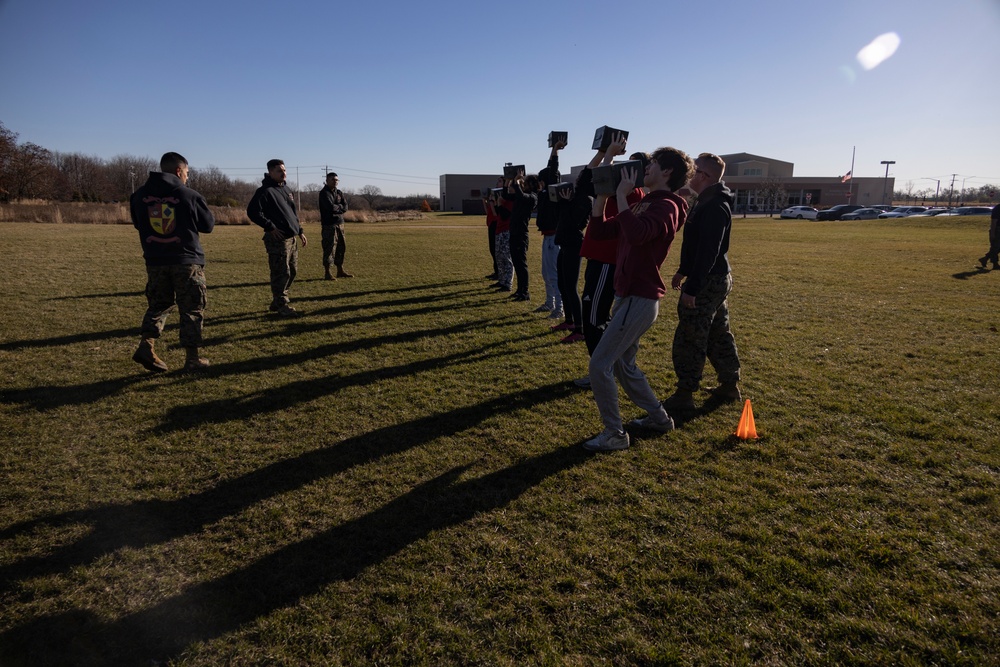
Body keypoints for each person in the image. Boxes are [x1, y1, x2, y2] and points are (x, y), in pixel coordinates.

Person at [583, 146, 693, 452]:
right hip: (629, 295)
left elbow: (639, 234)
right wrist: (603, 200)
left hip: (640, 298)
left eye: (653, 163)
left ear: (667, 172)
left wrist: (621, 197)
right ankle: (659, 418)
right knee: (623, 367)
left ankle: (615, 433)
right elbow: (601, 233)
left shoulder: (669, 206)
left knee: (599, 365)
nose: (646, 167)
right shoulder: (647, 203)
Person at [665, 153, 742, 411]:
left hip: (709, 280)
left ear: (704, 176)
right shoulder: (705, 201)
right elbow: (696, 245)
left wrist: (693, 287)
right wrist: (682, 270)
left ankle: (685, 393)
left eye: (694, 171)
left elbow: (709, 251)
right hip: (712, 277)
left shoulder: (715, 206)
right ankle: (729, 385)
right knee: (717, 332)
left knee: (691, 335)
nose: (689, 175)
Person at [130, 152, 215, 373]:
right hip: (186, 261)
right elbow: (208, 225)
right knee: (192, 309)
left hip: (155, 261)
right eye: (187, 172)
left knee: (158, 305)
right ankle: (192, 358)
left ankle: (146, 346)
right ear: (179, 171)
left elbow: (138, 224)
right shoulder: (189, 195)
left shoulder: (138, 196)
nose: (187, 176)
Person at [573, 139, 647, 386]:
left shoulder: (632, 193)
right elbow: (585, 182)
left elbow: (593, 181)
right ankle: (601, 369)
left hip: (606, 262)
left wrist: (608, 157)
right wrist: (605, 154)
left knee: (594, 318)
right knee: (593, 315)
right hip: (599, 261)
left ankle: (601, 371)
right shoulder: (622, 190)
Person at [247, 159, 307, 317]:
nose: (284, 173)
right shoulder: (264, 191)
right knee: (281, 272)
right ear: (270, 172)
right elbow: (253, 212)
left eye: (285, 170)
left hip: (291, 237)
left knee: (292, 271)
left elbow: (292, 213)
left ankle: (277, 301)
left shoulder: (286, 189)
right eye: (280, 171)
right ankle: (282, 305)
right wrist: (270, 227)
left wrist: (299, 231)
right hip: (278, 240)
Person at [535, 139, 565, 317]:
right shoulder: (544, 194)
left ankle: (559, 308)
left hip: (555, 238)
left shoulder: (554, 194)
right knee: (546, 273)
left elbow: (552, 172)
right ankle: (549, 302)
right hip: (547, 237)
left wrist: (555, 152)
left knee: (554, 274)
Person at [503, 170, 539, 302]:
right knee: (517, 264)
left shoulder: (533, 197)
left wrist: (517, 181)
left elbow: (521, 195)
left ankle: (525, 292)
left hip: (521, 235)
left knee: (521, 265)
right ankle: (519, 290)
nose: (524, 184)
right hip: (514, 233)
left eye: (526, 182)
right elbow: (506, 195)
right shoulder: (521, 195)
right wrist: (508, 181)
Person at [319, 172, 352, 280]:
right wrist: (340, 208)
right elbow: (330, 207)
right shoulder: (324, 193)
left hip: (340, 224)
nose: (335, 181)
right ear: (327, 180)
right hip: (329, 225)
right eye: (333, 179)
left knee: (341, 247)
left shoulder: (339, 192)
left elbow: (345, 206)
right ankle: (327, 272)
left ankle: (340, 270)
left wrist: (338, 208)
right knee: (329, 248)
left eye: (337, 180)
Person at [979, 204, 1000, 270]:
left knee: (996, 248)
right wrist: (993, 233)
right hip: (997, 229)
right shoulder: (998, 208)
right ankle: (995, 264)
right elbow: (994, 221)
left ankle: (985, 259)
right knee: (995, 247)